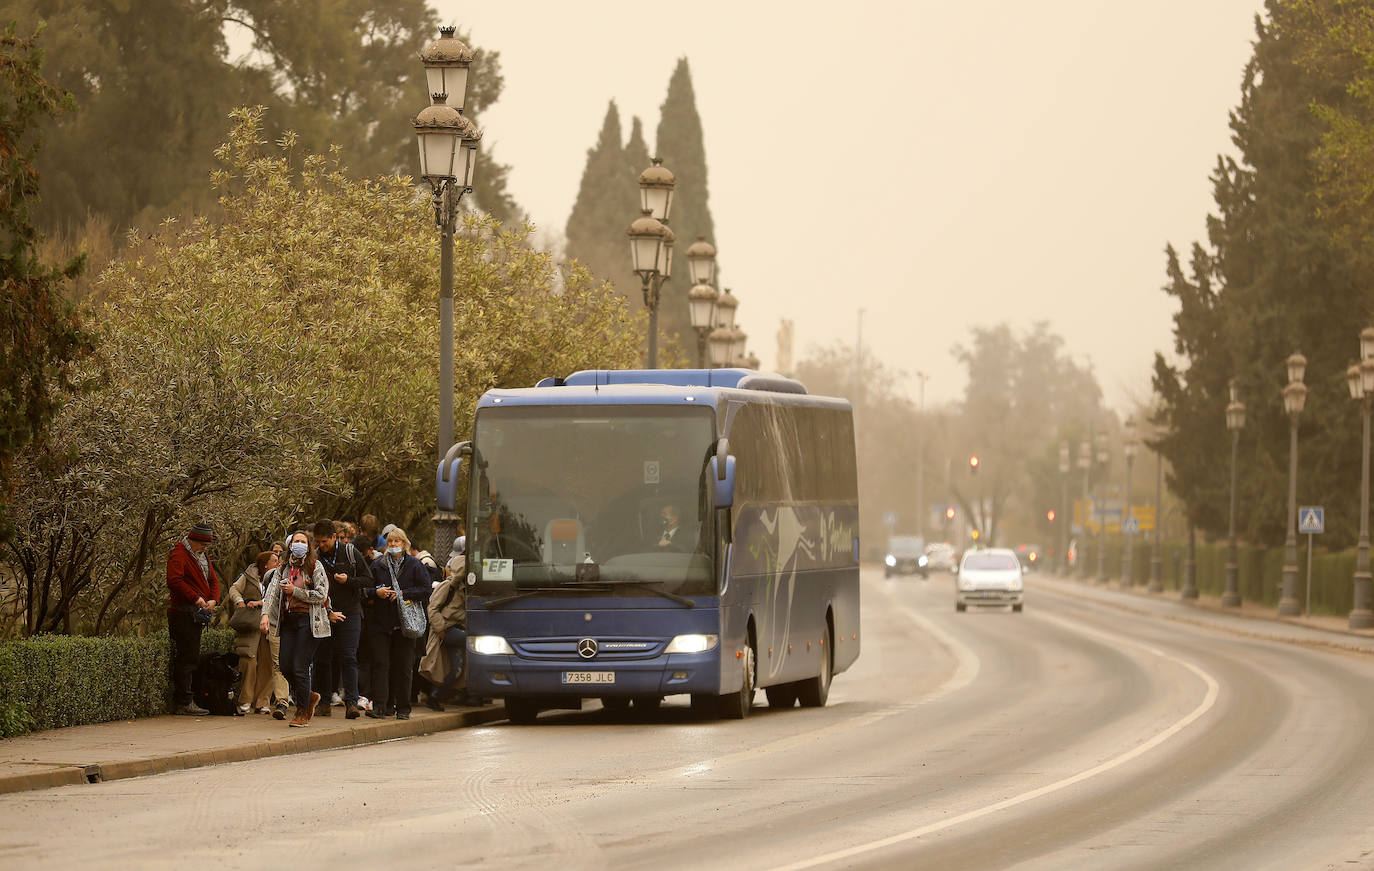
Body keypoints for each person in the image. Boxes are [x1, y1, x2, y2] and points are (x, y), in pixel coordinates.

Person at [260, 529, 331, 728]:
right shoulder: (282, 568)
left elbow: (321, 595)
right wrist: (265, 614)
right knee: (284, 665)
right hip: (288, 620)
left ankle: (302, 710)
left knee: (300, 666)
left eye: (303, 541)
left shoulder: (316, 567)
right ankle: (308, 696)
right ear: (290, 545)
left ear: (308, 547)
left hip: (309, 621)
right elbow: (272, 592)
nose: (299, 544)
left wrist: (296, 591)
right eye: (296, 541)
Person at [364, 527, 431, 720]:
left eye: (397, 541)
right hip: (381, 623)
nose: (393, 545)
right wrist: (376, 593)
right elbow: (365, 588)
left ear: (404, 544)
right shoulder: (378, 565)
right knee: (380, 665)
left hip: (405, 625)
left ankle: (403, 708)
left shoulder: (414, 565)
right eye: (390, 541)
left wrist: (403, 594)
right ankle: (380, 706)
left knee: (403, 667)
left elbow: (426, 590)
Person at [312, 518, 368, 719]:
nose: (321, 545)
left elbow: (368, 579)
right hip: (325, 614)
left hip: (350, 613)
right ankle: (324, 702)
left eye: (325, 541)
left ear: (334, 537)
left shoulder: (350, 553)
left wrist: (349, 581)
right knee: (322, 659)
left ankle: (351, 702)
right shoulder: (315, 557)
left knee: (348, 657)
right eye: (318, 541)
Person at [166, 523, 220, 716]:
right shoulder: (179, 554)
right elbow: (174, 580)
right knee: (187, 658)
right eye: (203, 544)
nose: (206, 548)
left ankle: (188, 698)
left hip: (196, 611)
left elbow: (212, 579)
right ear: (193, 540)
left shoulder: (202, 556)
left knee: (192, 656)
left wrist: (213, 599)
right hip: (183, 612)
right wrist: (196, 598)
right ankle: (183, 701)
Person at [229, 550, 280, 714]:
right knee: (249, 661)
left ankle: (262, 701)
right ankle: (245, 699)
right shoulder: (248, 575)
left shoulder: (280, 577)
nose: (277, 563)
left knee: (268, 664)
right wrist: (240, 602)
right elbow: (234, 590)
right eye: (274, 560)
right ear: (265, 563)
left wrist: (259, 602)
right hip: (251, 625)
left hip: (271, 624)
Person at [420, 538, 468, 709]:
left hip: (457, 628)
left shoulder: (465, 589)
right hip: (448, 629)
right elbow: (432, 608)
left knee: (456, 670)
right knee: (472, 641)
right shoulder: (447, 587)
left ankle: (436, 697)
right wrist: (440, 628)